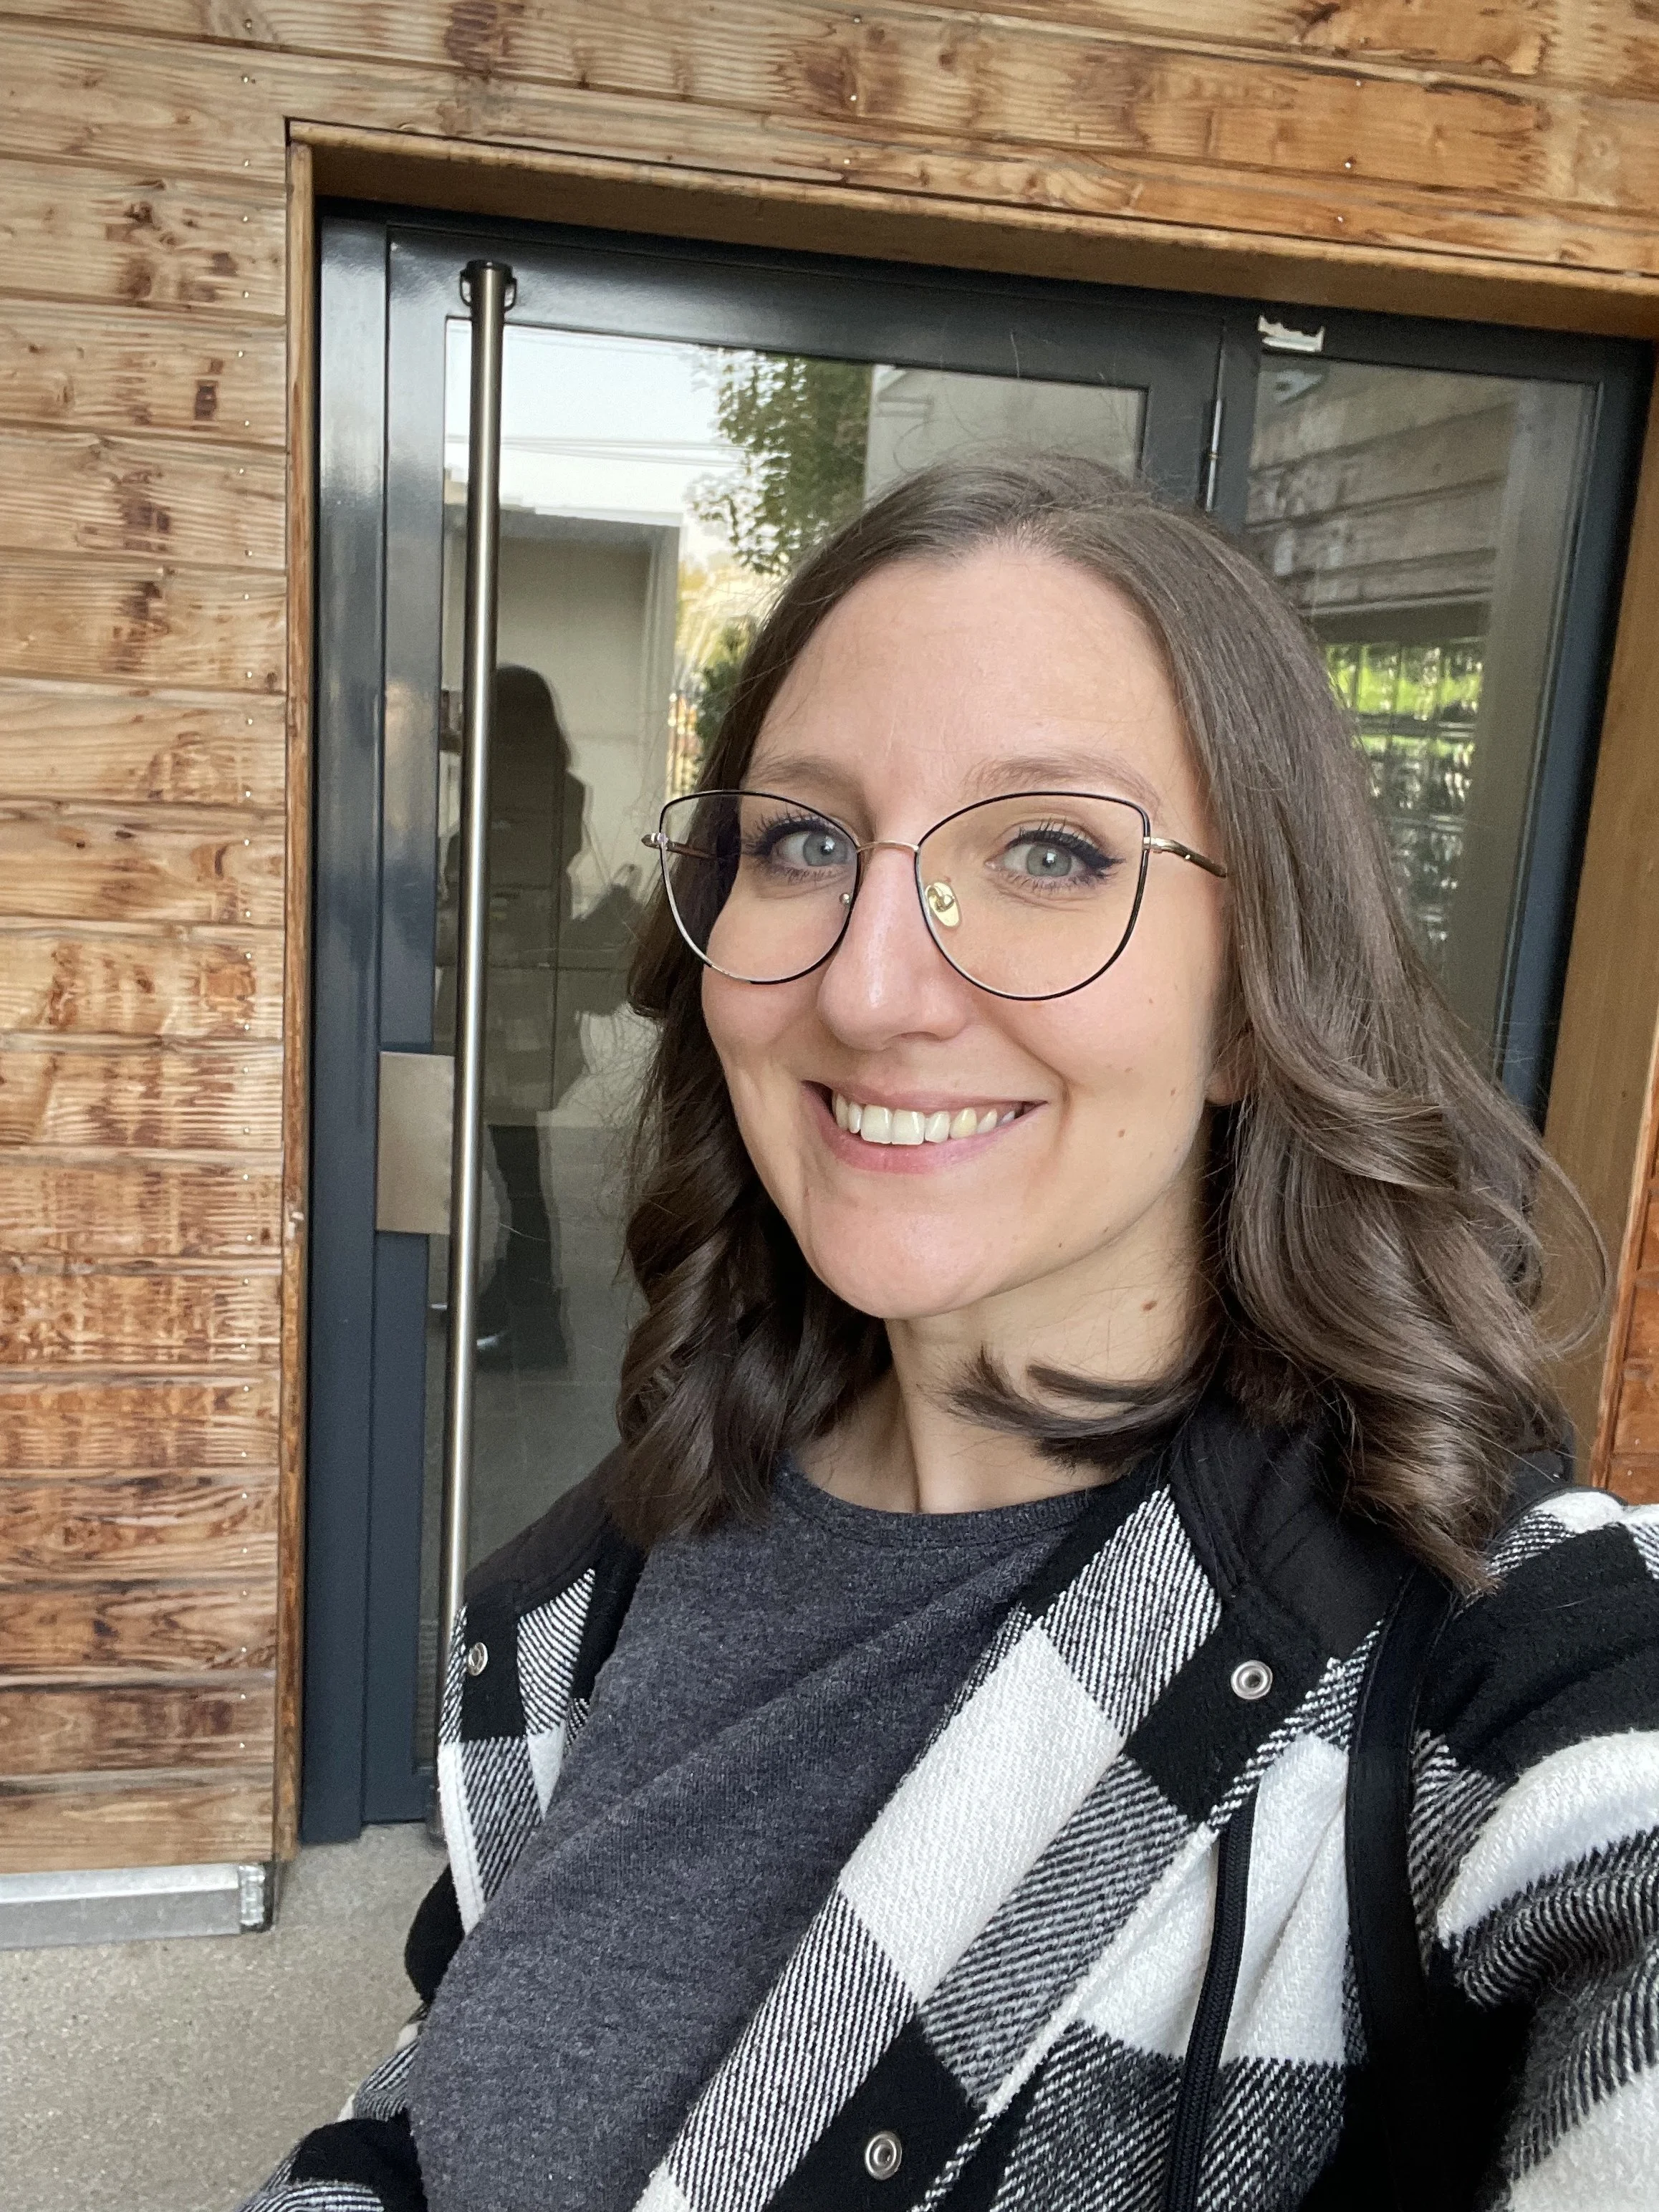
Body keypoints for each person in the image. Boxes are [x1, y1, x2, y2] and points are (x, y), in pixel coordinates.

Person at [244, 458, 1659, 2212]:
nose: (869, 985)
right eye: (803, 841)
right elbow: (443, 2088)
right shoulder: (599, 1580)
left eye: (1053, 849)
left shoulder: (1484, 1661)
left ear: (1257, 1001)